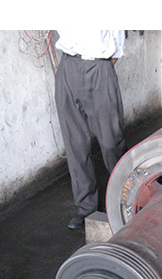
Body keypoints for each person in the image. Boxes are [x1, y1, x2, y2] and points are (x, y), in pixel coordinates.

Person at [54, 30, 127, 229]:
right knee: (75, 143)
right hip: (68, 66)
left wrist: (100, 65)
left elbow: (117, 45)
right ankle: (85, 207)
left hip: (100, 68)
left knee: (111, 141)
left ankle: (126, 201)